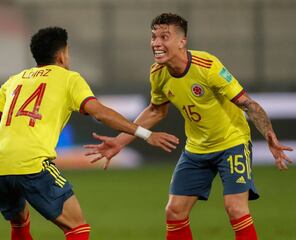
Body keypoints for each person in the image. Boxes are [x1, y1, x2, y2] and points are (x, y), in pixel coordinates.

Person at [0, 26, 179, 240]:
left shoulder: (14, 81)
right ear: (61, 56)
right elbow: (100, 114)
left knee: (19, 224)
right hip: (31, 165)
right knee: (77, 227)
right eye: (67, 52)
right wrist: (146, 133)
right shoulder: (69, 78)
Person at [84, 13, 293, 240]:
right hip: (196, 149)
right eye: (154, 37)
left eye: (164, 37)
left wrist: (269, 133)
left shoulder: (208, 66)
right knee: (174, 211)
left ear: (182, 41)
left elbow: (247, 103)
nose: (156, 43)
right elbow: (156, 111)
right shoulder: (158, 73)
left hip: (232, 143)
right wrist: (120, 142)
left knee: (235, 209)